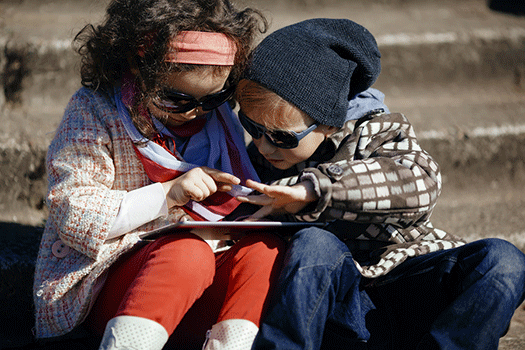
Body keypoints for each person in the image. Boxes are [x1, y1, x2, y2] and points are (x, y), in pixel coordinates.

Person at [234, 18, 525, 349]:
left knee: (504, 260)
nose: (264, 146)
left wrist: (316, 190)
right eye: (251, 127)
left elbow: (419, 182)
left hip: (409, 283)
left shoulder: (378, 132)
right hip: (340, 307)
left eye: (282, 136)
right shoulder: (260, 161)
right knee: (315, 243)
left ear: (329, 123)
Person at [32, 1, 286, 349]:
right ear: (139, 67)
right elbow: (72, 212)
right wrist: (168, 195)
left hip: (197, 291)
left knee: (264, 249)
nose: (195, 112)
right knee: (187, 253)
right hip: (113, 286)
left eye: (214, 99)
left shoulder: (219, 119)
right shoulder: (94, 110)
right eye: (176, 99)